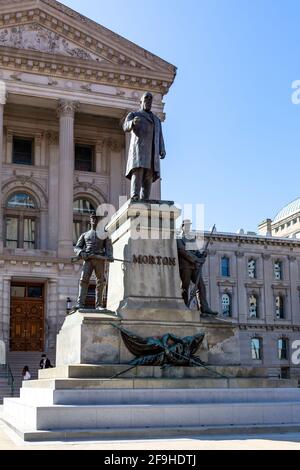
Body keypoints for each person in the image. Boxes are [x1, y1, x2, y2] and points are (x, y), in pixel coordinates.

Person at [123, 91, 166, 202]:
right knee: (138, 172)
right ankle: (135, 195)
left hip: (152, 152)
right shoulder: (134, 115)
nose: (148, 101)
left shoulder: (156, 120)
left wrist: (162, 148)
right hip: (139, 150)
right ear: (141, 101)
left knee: (149, 175)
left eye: (150, 99)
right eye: (146, 98)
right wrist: (132, 123)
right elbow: (125, 126)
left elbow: (159, 135)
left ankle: (145, 198)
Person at [73, 211, 113, 311]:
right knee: (83, 280)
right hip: (88, 260)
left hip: (100, 260)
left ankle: (99, 305)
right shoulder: (84, 235)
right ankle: (80, 304)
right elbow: (77, 247)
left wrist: (109, 256)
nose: (94, 220)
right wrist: (82, 253)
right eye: (93, 219)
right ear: (90, 220)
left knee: (101, 281)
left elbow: (108, 247)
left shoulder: (104, 235)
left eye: (96, 219)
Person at [177, 219, 218, 316]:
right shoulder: (178, 238)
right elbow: (182, 252)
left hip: (194, 266)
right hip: (185, 266)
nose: (188, 227)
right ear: (182, 227)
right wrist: (196, 259)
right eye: (186, 226)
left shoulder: (191, 239)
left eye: (189, 226)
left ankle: (204, 307)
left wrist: (202, 255)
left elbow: (196, 252)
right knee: (185, 287)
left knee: (201, 285)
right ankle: (184, 306)